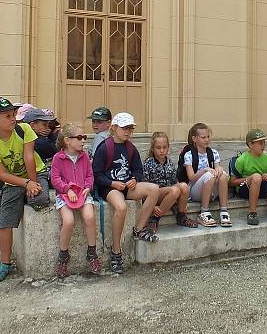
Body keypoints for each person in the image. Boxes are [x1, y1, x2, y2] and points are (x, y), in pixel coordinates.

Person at [0, 97, 51, 283]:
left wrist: (33, 182)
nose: (13, 118)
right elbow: (2, 175)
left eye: (13, 114)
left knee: (40, 200)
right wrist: (24, 184)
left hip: (36, 173)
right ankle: (5, 263)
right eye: (7, 116)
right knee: (5, 219)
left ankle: (27, 195)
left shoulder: (24, 129)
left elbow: (29, 157)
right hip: (14, 182)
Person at [92, 112, 160, 274]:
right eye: (124, 128)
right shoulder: (105, 147)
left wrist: (135, 179)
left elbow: (138, 169)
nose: (127, 132)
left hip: (127, 185)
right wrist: (112, 183)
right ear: (114, 128)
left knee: (154, 189)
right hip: (110, 187)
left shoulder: (131, 148)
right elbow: (96, 174)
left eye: (130, 129)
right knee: (121, 208)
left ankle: (139, 228)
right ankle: (116, 251)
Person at [51, 122, 100, 277]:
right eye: (79, 137)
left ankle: (92, 253)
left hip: (83, 194)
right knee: (69, 221)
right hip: (65, 195)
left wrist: (87, 187)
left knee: (90, 217)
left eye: (84, 137)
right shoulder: (58, 158)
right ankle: (63, 256)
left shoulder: (84, 156)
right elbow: (55, 179)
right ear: (67, 140)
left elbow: (89, 175)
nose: (83, 140)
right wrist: (67, 189)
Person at [230, 129, 267, 225]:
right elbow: (232, 182)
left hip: (261, 187)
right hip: (245, 189)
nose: (263, 146)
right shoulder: (241, 160)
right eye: (260, 143)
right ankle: (252, 213)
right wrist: (249, 178)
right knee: (256, 177)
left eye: (264, 143)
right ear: (250, 145)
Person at [178, 123, 231, 228]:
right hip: (195, 191)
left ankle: (224, 210)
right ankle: (204, 212)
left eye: (208, 137)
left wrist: (219, 169)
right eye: (203, 137)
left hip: (211, 190)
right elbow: (191, 178)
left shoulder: (214, 153)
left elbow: (217, 168)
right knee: (209, 175)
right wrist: (205, 170)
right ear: (194, 138)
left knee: (223, 175)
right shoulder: (189, 155)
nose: (207, 140)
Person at [142, 132, 198, 231]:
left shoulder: (170, 163)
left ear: (168, 147)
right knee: (175, 190)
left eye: (165, 147)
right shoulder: (148, 164)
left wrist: (182, 203)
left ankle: (181, 215)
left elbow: (174, 182)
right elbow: (143, 187)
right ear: (153, 148)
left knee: (184, 186)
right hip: (154, 195)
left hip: (169, 194)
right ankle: (155, 218)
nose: (162, 150)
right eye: (158, 148)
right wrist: (151, 205)